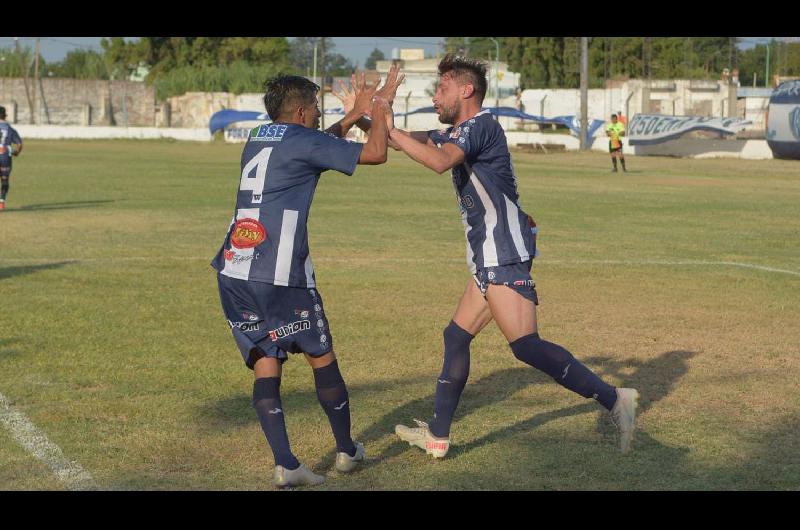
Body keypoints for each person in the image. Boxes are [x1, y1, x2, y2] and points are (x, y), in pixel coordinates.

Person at [343, 55, 639, 458]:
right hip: (489, 251)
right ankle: (438, 435)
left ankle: (614, 399)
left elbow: (438, 161)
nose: (435, 96)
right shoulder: (460, 130)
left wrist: (383, 117)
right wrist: (364, 117)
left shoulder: (479, 126)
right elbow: (397, 139)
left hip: (502, 249)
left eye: (442, 88)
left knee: (525, 346)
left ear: (467, 90)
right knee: (456, 336)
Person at [210, 73, 398, 488]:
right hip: (279, 274)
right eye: (315, 107)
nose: (318, 113)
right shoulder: (304, 139)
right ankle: (347, 451)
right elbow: (376, 153)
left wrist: (351, 114)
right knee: (321, 357)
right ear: (299, 112)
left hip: (234, 270)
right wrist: (380, 109)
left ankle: (286, 463)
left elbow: (316, 144)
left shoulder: (262, 135)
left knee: (266, 361)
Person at [0, 106, 23, 210]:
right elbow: (19, 144)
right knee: (5, 180)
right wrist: (16, 152)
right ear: (5, 116)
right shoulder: (10, 129)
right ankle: (1, 202)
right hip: (5, 155)